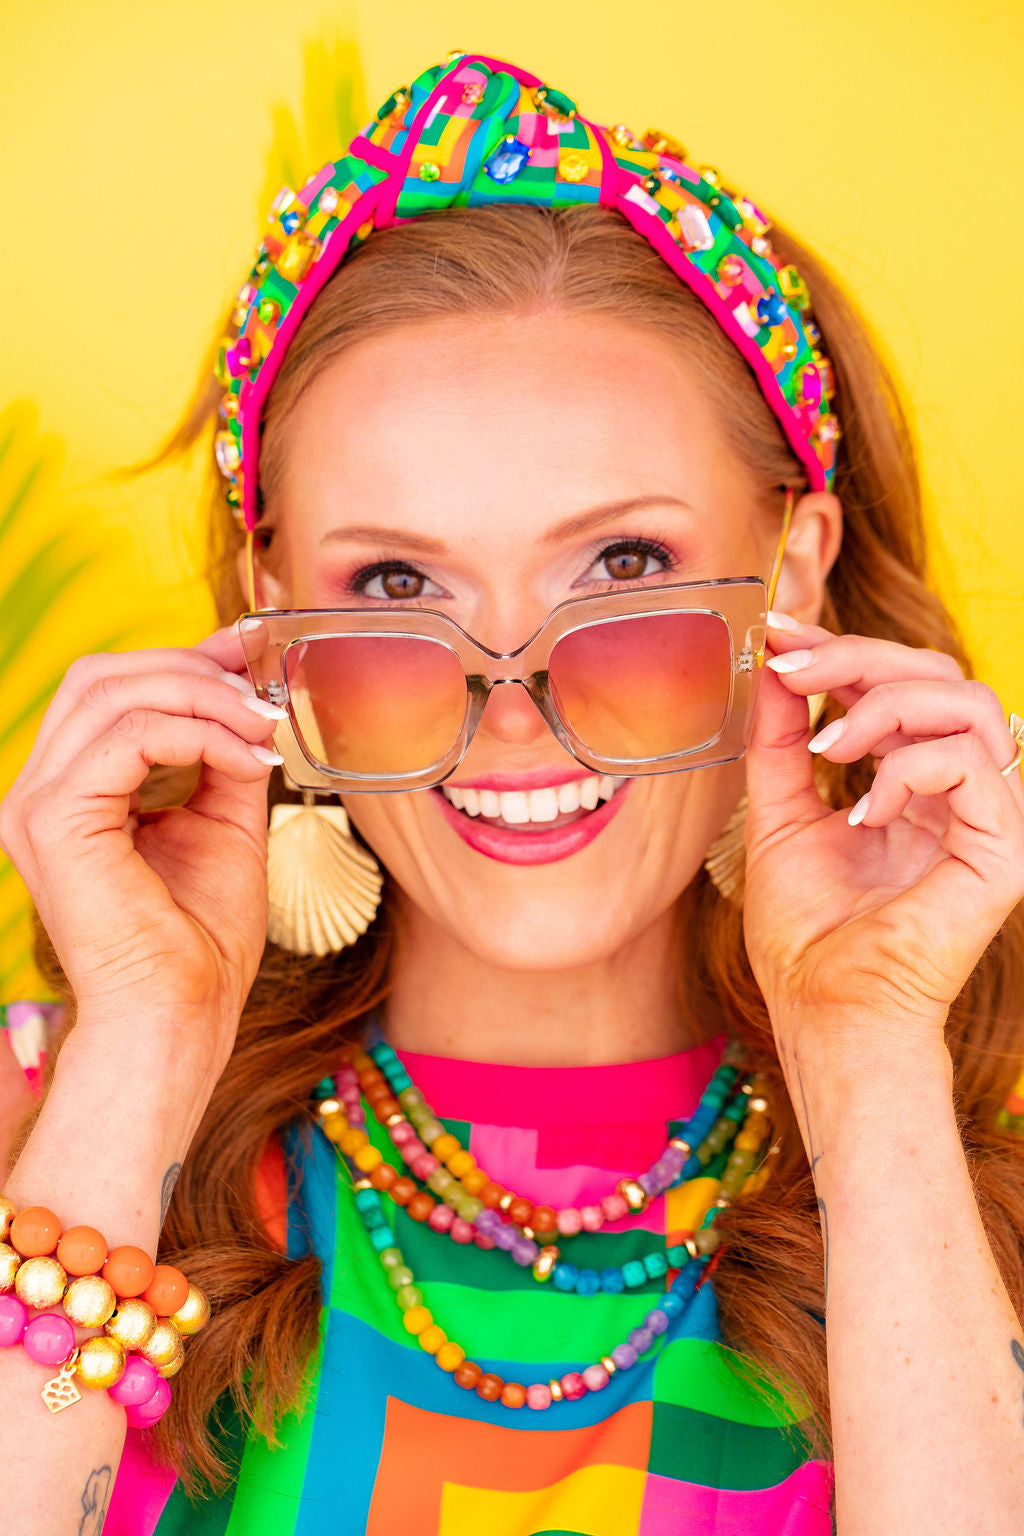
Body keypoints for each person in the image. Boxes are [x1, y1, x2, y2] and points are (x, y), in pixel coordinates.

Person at [2, 48, 1024, 1536]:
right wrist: (144, 1045)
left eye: (624, 567)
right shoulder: (44, 1121)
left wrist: (867, 1056)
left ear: (792, 575)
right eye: (394, 584)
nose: (513, 712)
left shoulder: (970, 1179)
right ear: (274, 615)